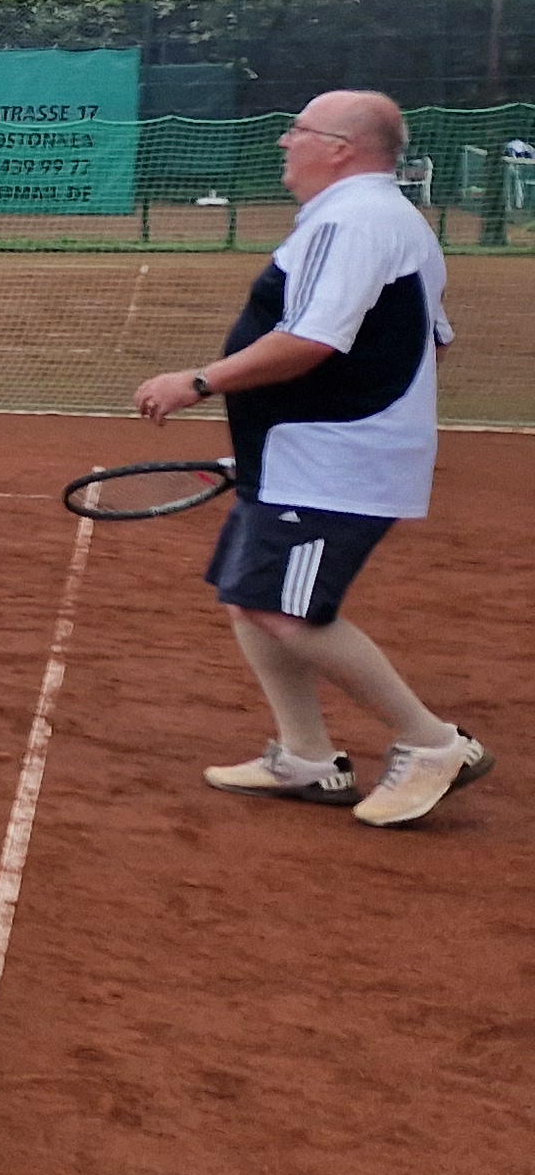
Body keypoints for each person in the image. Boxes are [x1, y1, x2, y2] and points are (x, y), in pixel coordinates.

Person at [133, 90, 487, 828]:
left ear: (341, 147)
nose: (284, 145)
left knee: (283, 606)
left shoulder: (351, 220)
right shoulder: (388, 221)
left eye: (296, 132)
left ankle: (432, 743)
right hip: (314, 451)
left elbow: (311, 342)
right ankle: (304, 755)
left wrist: (197, 383)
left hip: (331, 459)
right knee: (248, 594)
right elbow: (432, 342)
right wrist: (282, 434)